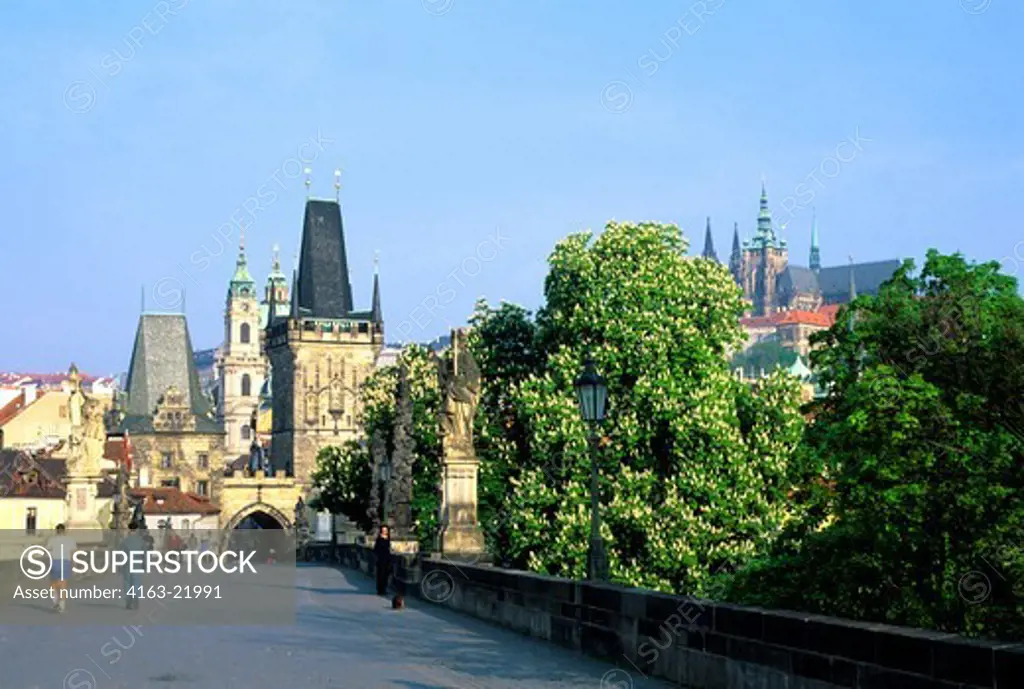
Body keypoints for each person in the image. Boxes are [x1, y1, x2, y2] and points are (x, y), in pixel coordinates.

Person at [45, 524, 77, 613]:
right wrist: (74, 565)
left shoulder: (52, 539)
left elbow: (47, 551)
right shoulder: (70, 540)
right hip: (66, 562)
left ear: (56, 531)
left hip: (55, 562)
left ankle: (55, 602)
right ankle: (62, 605)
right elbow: (73, 553)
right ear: (64, 530)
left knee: (53, 584)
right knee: (63, 584)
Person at [119, 522, 149, 610]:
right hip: (137, 563)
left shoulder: (124, 541)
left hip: (127, 563)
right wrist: (145, 564)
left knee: (127, 582)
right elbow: (145, 553)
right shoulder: (140, 541)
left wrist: (119, 565)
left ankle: (129, 600)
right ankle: (135, 597)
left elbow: (120, 554)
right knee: (136, 581)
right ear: (136, 530)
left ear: (129, 529)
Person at [373, 525, 391, 596]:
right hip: (381, 558)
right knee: (380, 574)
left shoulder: (388, 538)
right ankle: (380, 590)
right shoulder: (379, 539)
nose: (384, 532)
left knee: (386, 574)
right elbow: (376, 549)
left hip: (387, 558)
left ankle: (384, 588)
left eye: (386, 530)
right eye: (383, 530)